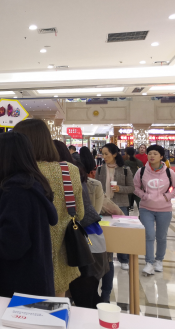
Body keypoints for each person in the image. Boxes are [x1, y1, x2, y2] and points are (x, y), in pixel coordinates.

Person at [0, 131, 58, 297]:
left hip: (19, 288)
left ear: (5, 158)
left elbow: (11, 246)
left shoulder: (15, 191)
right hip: (34, 281)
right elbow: (20, 227)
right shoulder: (30, 184)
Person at [14, 119, 84, 296]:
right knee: (56, 305)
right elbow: (79, 213)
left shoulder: (21, 172)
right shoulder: (69, 170)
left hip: (28, 258)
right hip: (62, 255)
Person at [54, 141, 108, 309]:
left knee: (84, 297)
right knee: (88, 295)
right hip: (91, 238)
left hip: (82, 243)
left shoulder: (65, 173)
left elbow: (79, 212)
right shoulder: (73, 170)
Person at [133, 145, 175, 276]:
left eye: (155, 153)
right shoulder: (141, 171)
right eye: (150, 153)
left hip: (164, 209)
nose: (152, 156)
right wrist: (144, 196)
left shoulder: (169, 172)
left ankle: (159, 260)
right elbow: (135, 187)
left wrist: (167, 196)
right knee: (149, 235)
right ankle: (149, 263)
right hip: (146, 208)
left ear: (161, 156)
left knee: (161, 236)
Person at [94, 143, 134, 270]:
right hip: (104, 206)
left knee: (122, 233)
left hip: (121, 205)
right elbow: (96, 187)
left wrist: (119, 188)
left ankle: (124, 259)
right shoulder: (100, 169)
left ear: (115, 154)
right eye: (103, 154)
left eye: (107, 154)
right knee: (105, 233)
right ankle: (107, 258)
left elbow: (131, 188)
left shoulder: (125, 169)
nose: (104, 156)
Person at [124, 147, 144, 211]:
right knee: (140, 204)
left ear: (126, 153)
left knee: (126, 205)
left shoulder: (124, 162)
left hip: (127, 185)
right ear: (134, 153)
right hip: (138, 184)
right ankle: (142, 216)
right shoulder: (139, 162)